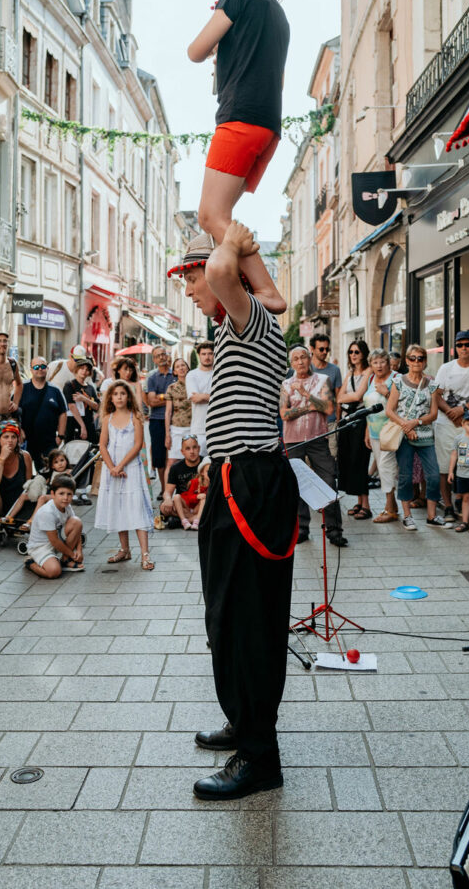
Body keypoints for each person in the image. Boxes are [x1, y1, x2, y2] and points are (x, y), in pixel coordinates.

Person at [169, 224, 300, 802]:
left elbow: (235, 279)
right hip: (234, 475)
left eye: (192, 277)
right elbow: (274, 295)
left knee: (246, 620)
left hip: (249, 480)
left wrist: (229, 233)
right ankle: (245, 723)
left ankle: (259, 755)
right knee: (227, 613)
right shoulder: (248, 319)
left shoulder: (250, 321)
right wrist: (241, 247)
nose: (192, 290)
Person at [187, 0, 288, 314]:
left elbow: (195, 50)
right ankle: (251, 283)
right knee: (221, 216)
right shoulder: (277, 14)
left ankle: (265, 289)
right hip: (267, 126)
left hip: (239, 119)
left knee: (210, 215)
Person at [280, 345, 344, 547]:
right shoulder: (286, 384)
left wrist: (306, 395)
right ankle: (302, 529)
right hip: (293, 439)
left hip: (318, 438)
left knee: (328, 481)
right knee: (297, 485)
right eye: (296, 359)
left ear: (310, 359)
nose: (300, 362)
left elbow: (328, 408)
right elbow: (284, 414)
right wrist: (311, 407)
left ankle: (334, 530)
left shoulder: (322, 381)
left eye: (303, 357)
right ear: (291, 363)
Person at [385, 344, 450, 531]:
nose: (416, 362)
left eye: (420, 358)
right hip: (404, 438)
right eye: (412, 358)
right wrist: (406, 427)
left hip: (426, 437)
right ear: (406, 361)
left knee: (434, 476)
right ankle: (407, 516)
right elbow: (390, 410)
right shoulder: (398, 382)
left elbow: (433, 414)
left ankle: (431, 516)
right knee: (405, 476)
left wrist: (415, 423)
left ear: (425, 362)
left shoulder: (432, 385)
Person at [434, 330, 469, 523]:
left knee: (468, 464)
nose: (464, 348)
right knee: (444, 467)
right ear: (455, 348)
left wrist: (463, 409)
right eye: (460, 345)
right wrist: (452, 413)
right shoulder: (446, 368)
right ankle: (448, 506)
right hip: (446, 424)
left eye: (467, 344)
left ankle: (461, 499)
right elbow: (437, 395)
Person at [95, 380, 154, 569]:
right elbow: (102, 445)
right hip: (112, 471)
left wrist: (120, 465)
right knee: (118, 506)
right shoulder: (107, 419)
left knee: (136, 507)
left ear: (128, 396)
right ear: (110, 398)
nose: (119, 397)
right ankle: (124, 549)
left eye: (122, 393)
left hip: (131, 469)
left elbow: (137, 445)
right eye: (115, 394)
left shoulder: (135, 417)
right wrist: (112, 467)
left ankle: (145, 554)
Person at [0, 420, 33, 544]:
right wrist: (2, 459)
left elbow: (28, 487)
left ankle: (13, 526)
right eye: (6, 437)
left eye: (14, 437)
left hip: (18, 506)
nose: (10, 440)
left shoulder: (25, 457)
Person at [362, 348, 399, 524]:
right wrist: (367, 431)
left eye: (382, 361)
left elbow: (403, 404)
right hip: (374, 431)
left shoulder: (396, 378)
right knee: (384, 469)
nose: (379, 365)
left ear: (388, 362)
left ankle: (389, 509)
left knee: (385, 469)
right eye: (375, 362)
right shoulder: (371, 379)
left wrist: (387, 393)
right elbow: (368, 408)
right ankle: (393, 507)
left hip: (391, 431)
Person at [336, 340, 372, 519]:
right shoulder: (350, 373)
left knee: (360, 461)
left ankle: (366, 504)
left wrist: (346, 397)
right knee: (349, 461)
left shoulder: (369, 371)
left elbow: (359, 395)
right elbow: (338, 398)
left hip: (360, 420)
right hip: (347, 421)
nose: (353, 355)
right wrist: (348, 398)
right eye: (351, 352)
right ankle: (359, 502)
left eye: (357, 352)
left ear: (364, 353)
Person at [25, 473, 84, 578]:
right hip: (41, 546)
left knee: (77, 522)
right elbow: (54, 541)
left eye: (69, 494)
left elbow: (77, 530)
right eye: (61, 493)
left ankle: (65, 560)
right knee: (54, 572)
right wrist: (72, 554)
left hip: (57, 541)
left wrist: (79, 551)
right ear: (53, 494)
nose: (65, 498)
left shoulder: (67, 506)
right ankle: (31, 563)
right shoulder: (47, 512)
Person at [19, 356, 68, 472]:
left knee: (48, 474)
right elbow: (12, 411)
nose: (40, 369)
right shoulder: (21, 388)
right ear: (31, 369)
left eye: (43, 366)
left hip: (49, 441)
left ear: (47, 368)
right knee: (24, 473)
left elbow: (63, 413)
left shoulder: (55, 390)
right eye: (36, 367)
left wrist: (60, 436)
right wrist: (18, 430)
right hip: (26, 441)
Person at [160, 434, 210, 530]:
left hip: (200, 504)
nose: (192, 452)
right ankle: (194, 520)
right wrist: (167, 499)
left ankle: (182, 520)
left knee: (209, 504)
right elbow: (168, 491)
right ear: (182, 452)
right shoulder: (176, 467)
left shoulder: (205, 463)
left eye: (194, 447)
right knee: (164, 508)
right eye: (187, 449)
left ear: (199, 448)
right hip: (184, 505)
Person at [145, 346, 175, 495]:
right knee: (160, 458)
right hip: (157, 420)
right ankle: (164, 490)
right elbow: (151, 402)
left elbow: (183, 397)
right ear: (154, 360)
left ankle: (175, 491)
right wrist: (171, 398)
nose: (162, 357)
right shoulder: (152, 378)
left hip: (175, 420)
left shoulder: (175, 375)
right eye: (158, 356)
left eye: (163, 354)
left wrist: (160, 397)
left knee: (174, 457)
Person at [309, 334, 342, 455]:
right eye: (321, 349)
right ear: (312, 349)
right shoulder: (304, 369)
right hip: (310, 423)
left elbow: (338, 398)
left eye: (327, 349)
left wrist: (338, 421)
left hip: (330, 423)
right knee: (310, 461)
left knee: (332, 456)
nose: (325, 352)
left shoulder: (335, 370)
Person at [184, 341, 213, 457]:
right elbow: (195, 398)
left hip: (217, 427)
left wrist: (203, 396)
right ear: (199, 355)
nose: (207, 357)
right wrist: (214, 396)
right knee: (199, 466)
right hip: (199, 428)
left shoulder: (219, 374)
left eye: (210, 353)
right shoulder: (192, 375)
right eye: (204, 354)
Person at [164, 357, 191, 474]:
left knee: (193, 461)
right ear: (174, 371)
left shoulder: (195, 385)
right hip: (177, 428)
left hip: (193, 427)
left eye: (183, 365)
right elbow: (168, 412)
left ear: (188, 368)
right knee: (171, 461)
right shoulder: (171, 388)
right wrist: (167, 434)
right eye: (178, 366)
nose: (181, 368)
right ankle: (167, 492)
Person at [63, 359, 99, 443]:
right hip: (73, 425)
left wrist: (84, 399)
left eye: (87, 370)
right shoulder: (69, 385)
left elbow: (97, 406)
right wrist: (82, 426)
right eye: (82, 368)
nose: (84, 371)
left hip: (89, 425)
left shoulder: (90, 388)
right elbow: (71, 406)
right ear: (77, 369)